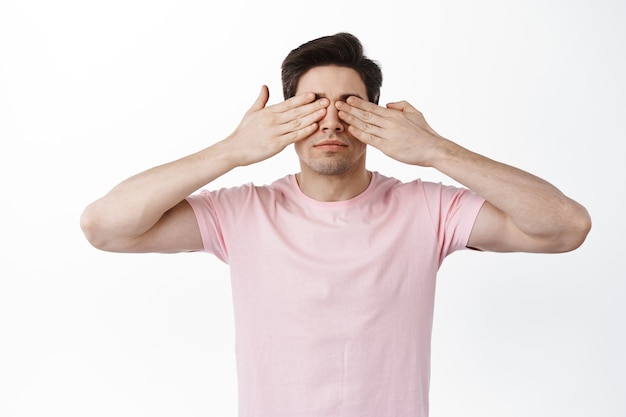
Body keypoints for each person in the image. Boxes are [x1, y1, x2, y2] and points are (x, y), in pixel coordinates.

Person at [80, 32, 591, 417]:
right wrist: (232, 151)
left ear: (374, 115)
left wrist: (436, 150)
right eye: (312, 105)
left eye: (349, 105)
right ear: (285, 116)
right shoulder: (242, 211)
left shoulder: (428, 209)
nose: (330, 121)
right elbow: (105, 226)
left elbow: (566, 227)